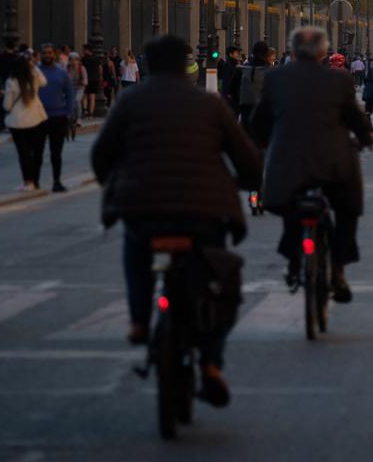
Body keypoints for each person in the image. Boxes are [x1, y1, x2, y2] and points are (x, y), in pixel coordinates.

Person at [92, 34, 261, 408]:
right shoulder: (208, 104)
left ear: (148, 65)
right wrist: (248, 182)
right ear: (187, 65)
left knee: (136, 250)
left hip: (143, 207)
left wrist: (116, 187)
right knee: (217, 280)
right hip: (203, 211)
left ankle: (139, 319)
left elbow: (102, 154)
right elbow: (245, 157)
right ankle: (213, 364)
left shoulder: (130, 101)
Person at [250, 27, 372, 303]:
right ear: (323, 52)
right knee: (347, 208)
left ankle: (294, 259)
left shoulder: (276, 78)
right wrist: (365, 138)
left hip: (288, 161)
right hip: (333, 161)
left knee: (290, 204)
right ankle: (338, 271)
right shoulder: (338, 79)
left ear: (292, 52)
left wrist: (263, 142)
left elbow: (260, 120)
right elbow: (355, 117)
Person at [2, 54, 48, 192]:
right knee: (35, 152)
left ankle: (27, 181)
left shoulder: (11, 81)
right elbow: (44, 81)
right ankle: (35, 180)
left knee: (23, 153)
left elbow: (7, 105)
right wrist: (34, 67)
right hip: (36, 119)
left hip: (18, 122)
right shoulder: (33, 78)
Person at [37, 44, 75, 192]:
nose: (47, 55)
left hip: (58, 117)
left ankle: (57, 181)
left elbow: (70, 93)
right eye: (44, 53)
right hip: (39, 118)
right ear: (41, 55)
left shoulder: (61, 73)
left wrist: (67, 112)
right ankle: (34, 181)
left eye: (50, 52)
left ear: (54, 54)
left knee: (56, 152)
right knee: (37, 151)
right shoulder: (36, 72)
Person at [230, 41, 271, 135]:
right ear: (266, 54)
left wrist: (239, 103)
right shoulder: (270, 72)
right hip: (264, 111)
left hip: (245, 108)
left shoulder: (241, 69)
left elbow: (231, 89)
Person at [216, 46, 241, 111]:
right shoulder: (228, 65)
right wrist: (228, 93)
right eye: (236, 52)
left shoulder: (235, 64)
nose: (238, 54)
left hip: (234, 95)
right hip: (230, 96)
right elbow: (227, 80)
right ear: (230, 54)